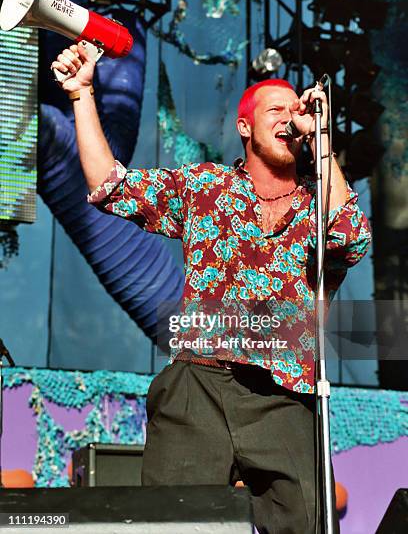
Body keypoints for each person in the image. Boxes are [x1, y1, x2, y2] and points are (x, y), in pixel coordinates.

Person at [52, 43, 371, 534]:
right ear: (245, 127)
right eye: (276, 110)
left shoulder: (318, 201)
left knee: (308, 521)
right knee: (171, 522)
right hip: (198, 383)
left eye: (298, 110)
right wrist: (82, 94)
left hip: (284, 394)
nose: (291, 117)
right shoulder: (206, 187)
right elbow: (108, 186)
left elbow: (351, 239)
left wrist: (323, 137)